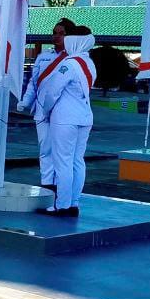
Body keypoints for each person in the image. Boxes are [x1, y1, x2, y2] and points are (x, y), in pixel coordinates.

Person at [36, 26, 97, 217]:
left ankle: (61, 205)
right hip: (85, 117)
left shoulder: (68, 65)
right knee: (77, 162)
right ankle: (73, 203)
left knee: (62, 162)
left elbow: (53, 91)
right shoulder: (89, 63)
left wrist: (45, 111)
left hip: (64, 119)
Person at [17, 18, 73, 193]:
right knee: (45, 148)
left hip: (62, 112)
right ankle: (47, 184)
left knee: (61, 151)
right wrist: (26, 101)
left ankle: (61, 186)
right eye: (55, 33)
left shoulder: (73, 58)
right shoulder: (43, 57)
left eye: (61, 33)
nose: (56, 36)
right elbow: (33, 84)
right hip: (41, 111)